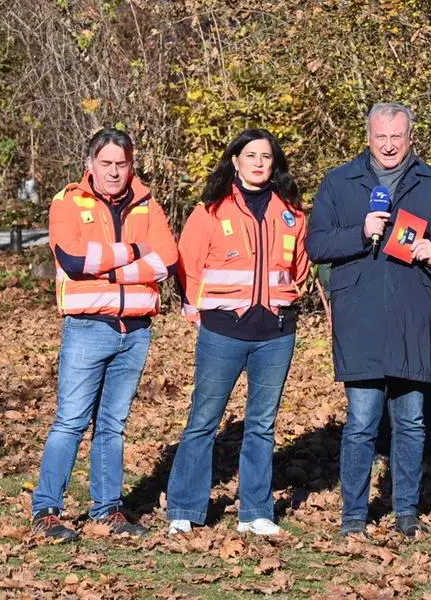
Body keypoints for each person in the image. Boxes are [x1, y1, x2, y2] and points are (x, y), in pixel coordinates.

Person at [305, 102, 431, 538]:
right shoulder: (339, 181)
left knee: (412, 421)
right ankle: (354, 516)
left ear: (410, 137)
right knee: (360, 422)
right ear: (368, 138)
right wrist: (360, 233)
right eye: (381, 137)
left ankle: (406, 513)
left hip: (412, 318)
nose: (389, 145)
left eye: (397, 137)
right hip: (359, 317)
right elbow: (317, 244)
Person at [32, 127, 178, 542]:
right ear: (90, 164)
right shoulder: (68, 201)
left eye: (122, 164)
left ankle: (107, 509)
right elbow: (75, 261)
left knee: (112, 425)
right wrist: (135, 252)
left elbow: (167, 258)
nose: (114, 172)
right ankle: (46, 509)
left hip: (135, 330)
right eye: (106, 164)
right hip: (87, 327)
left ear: (131, 165)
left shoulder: (147, 203)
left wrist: (112, 264)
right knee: (71, 422)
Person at [166, 129, 309, 536]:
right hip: (223, 331)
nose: (259, 162)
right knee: (204, 420)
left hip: (276, 333)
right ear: (235, 161)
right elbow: (187, 265)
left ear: (274, 162)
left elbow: (299, 268)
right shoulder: (211, 210)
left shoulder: (292, 212)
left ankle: (256, 511)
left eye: (266, 156)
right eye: (251, 155)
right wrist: (202, 312)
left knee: (262, 423)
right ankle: (184, 509)